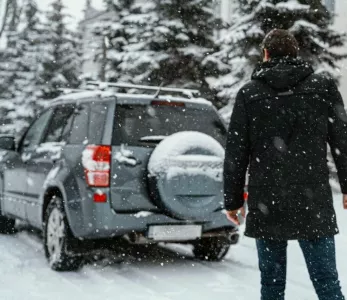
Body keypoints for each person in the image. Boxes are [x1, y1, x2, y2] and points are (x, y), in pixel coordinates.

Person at [224, 29, 347, 300]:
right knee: (327, 282)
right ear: (295, 54)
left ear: (265, 54)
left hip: (267, 199)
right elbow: (342, 140)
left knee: (271, 284)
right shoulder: (322, 87)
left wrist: (232, 201)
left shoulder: (249, 94)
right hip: (312, 200)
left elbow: (236, 153)